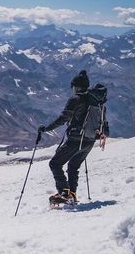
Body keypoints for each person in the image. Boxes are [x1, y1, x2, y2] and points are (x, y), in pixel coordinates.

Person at [38, 70, 109, 205]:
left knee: (55, 163)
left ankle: (65, 193)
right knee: (73, 166)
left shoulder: (76, 99)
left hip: (76, 139)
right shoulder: (96, 102)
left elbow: (63, 118)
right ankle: (72, 195)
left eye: (74, 87)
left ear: (77, 87)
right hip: (89, 140)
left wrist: (46, 128)